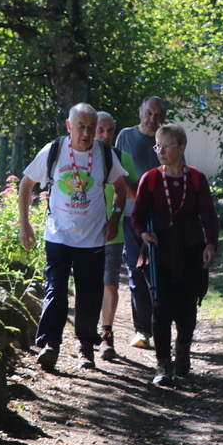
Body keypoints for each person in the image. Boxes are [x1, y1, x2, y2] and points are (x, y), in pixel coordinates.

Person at [18, 103, 131, 372]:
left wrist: (114, 219)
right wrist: (25, 225)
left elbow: (121, 190)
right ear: (69, 126)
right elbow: (26, 185)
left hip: (92, 239)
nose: (87, 133)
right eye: (81, 126)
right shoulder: (54, 151)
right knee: (55, 290)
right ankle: (50, 345)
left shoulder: (104, 153)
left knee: (89, 295)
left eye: (91, 127)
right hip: (58, 235)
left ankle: (85, 347)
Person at [131, 122, 218, 386]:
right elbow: (137, 216)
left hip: (190, 251)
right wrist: (143, 235)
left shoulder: (196, 179)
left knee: (187, 308)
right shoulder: (150, 179)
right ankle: (163, 364)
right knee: (162, 307)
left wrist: (211, 244)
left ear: (181, 148)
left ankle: (183, 351)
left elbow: (209, 216)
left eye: (166, 146)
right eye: (157, 146)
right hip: (160, 253)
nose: (160, 151)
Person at [115, 96, 167, 349]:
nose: (152, 119)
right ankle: (142, 330)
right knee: (136, 271)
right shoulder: (125, 136)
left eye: (158, 115)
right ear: (140, 112)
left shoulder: (167, 138)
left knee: (161, 272)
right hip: (130, 215)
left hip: (160, 217)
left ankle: (161, 325)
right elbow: (117, 171)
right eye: (148, 113)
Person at [95, 111, 137, 360]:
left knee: (109, 283)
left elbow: (133, 195)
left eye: (110, 130)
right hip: (83, 235)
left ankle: (106, 334)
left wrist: (119, 177)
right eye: (101, 130)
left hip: (113, 232)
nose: (106, 135)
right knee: (87, 285)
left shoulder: (122, 158)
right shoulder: (81, 158)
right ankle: (86, 336)